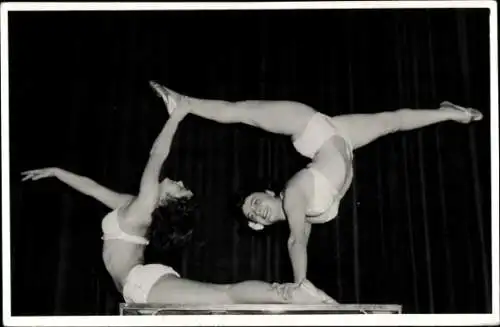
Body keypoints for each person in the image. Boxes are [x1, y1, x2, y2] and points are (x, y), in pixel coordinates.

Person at [149, 80, 483, 295]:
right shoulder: (303, 214)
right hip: (343, 137)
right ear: (258, 225)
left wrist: (299, 286)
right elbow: (300, 236)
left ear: (267, 191)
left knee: (245, 112)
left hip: (311, 128)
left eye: (254, 200)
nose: (257, 207)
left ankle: (185, 103)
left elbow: (295, 243)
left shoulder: (293, 194)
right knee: (393, 121)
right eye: (255, 213)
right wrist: (300, 287)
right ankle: (448, 114)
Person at [20, 91, 335, 305]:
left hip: (139, 284)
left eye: (179, 187)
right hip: (139, 284)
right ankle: (296, 294)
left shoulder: (145, 203)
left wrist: (178, 113)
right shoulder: (133, 205)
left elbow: (157, 155)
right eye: (182, 184)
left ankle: (292, 294)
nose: (179, 180)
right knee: (223, 297)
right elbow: (92, 189)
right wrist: (57, 172)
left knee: (225, 297)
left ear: (165, 200)